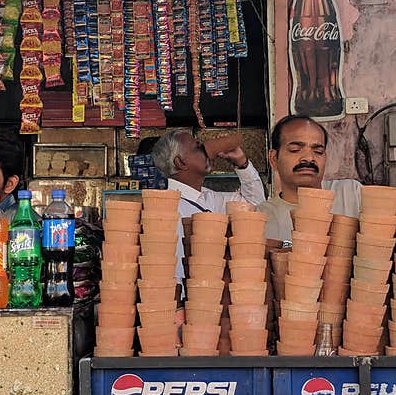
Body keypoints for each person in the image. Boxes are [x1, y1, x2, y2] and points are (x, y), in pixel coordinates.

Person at [151, 130, 266, 282]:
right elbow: (172, 271)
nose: (206, 150)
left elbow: (254, 204)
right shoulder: (168, 208)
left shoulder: (209, 198)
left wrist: (241, 163)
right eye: (197, 148)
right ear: (181, 162)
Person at [258, 114, 362, 243]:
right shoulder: (260, 219)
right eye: (295, 150)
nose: (308, 158)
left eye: (318, 151)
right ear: (274, 159)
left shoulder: (352, 193)